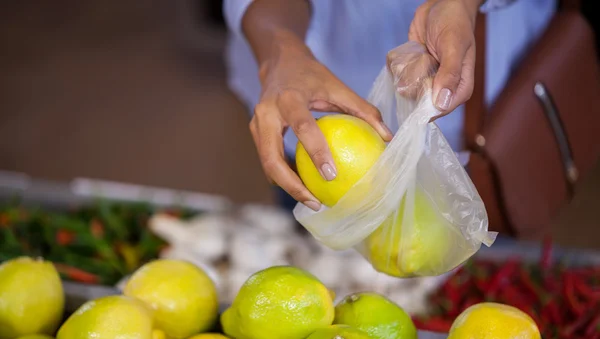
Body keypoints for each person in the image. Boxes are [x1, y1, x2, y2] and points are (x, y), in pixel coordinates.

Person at [223, 0, 556, 211]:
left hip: (486, 110)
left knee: (483, 274)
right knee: (315, 276)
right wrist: (280, 48)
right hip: (307, 108)